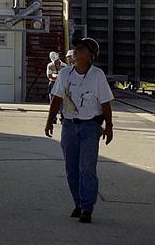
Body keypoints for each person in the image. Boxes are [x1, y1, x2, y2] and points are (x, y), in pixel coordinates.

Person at [44, 37, 114, 224]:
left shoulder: (97, 75)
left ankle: (87, 207)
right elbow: (56, 99)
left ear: (90, 55)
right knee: (72, 169)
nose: (75, 52)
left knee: (87, 169)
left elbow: (106, 103)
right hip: (69, 126)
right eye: (75, 48)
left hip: (90, 127)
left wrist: (109, 126)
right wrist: (49, 121)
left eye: (80, 49)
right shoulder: (65, 74)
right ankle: (79, 203)